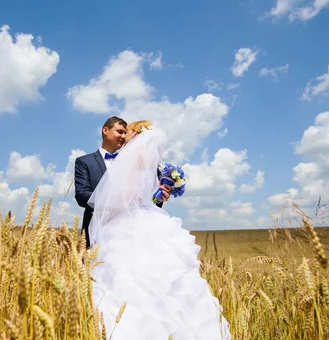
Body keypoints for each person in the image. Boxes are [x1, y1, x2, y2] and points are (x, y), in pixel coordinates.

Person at [88, 120, 232, 339]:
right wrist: (155, 197)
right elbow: (144, 197)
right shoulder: (149, 162)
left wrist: (109, 201)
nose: (124, 135)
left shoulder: (133, 159)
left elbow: (127, 197)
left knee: (129, 281)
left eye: (128, 131)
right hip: (150, 220)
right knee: (165, 282)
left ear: (135, 134)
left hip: (129, 224)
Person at [74, 116, 170, 248]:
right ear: (105, 130)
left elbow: (146, 201)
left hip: (131, 230)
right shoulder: (84, 162)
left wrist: (159, 198)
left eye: (126, 132)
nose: (123, 136)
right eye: (120, 131)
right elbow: (81, 194)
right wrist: (106, 206)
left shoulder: (139, 163)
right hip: (96, 228)